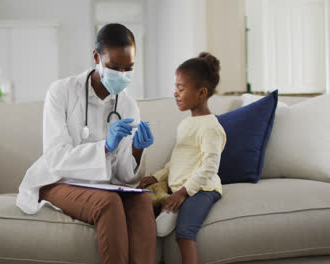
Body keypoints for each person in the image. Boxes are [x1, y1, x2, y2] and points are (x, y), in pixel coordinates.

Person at [16, 23, 156, 264]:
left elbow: (124, 177)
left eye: (129, 68)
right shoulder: (61, 92)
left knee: (141, 200)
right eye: (114, 67)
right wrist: (106, 147)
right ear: (96, 57)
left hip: (106, 185)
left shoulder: (128, 106)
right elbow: (55, 158)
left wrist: (136, 149)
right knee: (108, 203)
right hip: (58, 180)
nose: (122, 75)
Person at [138, 52, 226, 264]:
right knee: (147, 210)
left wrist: (183, 192)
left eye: (181, 88)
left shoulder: (211, 128)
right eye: (175, 88)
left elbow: (209, 167)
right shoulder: (185, 124)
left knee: (185, 232)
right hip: (179, 188)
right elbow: (175, 161)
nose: (175, 93)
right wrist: (156, 176)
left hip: (202, 189)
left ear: (201, 92)